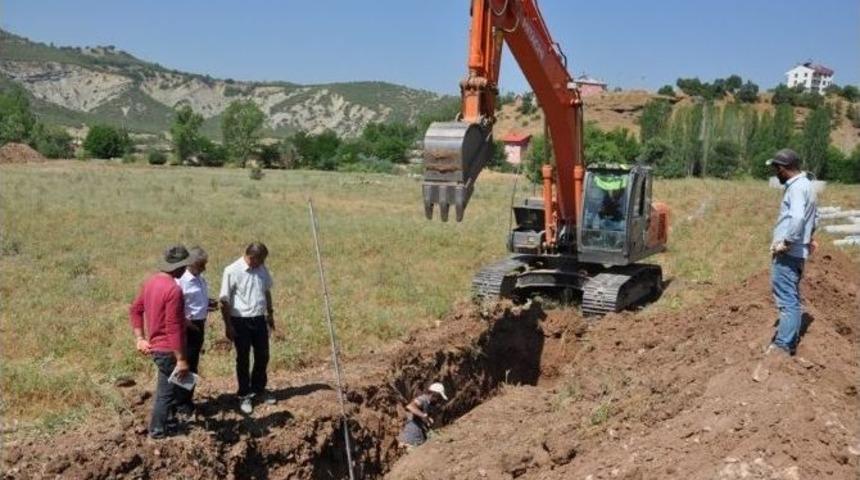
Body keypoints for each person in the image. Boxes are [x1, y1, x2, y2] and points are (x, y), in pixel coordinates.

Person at [753, 148, 818, 382]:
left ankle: (782, 346)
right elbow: (814, 217)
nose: (776, 174)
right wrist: (809, 238)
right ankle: (786, 340)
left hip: (789, 253)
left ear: (783, 168)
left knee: (787, 299)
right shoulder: (808, 185)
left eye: (776, 169)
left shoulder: (797, 188)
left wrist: (788, 242)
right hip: (798, 251)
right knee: (791, 295)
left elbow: (799, 217)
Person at [129, 245, 192, 439]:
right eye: (185, 266)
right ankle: (157, 431)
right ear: (179, 268)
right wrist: (181, 359)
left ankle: (169, 422)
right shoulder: (174, 290)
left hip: (157, 347)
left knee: (171, 388)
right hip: (168, 350)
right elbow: (173, 328)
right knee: (166, 392)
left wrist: (140, 338)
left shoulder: (151, 282)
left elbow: (135, 309)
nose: (186, 270)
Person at [220, 242, 276, 414]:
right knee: (243, 358)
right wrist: (228, 325)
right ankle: (244, 394)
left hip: (259, 319)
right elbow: (224, 300)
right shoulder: (232, 270)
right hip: (240, 321)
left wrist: (270, 313)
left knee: (262, 355)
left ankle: (258, 389)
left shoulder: (261, 269)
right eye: (260, 260)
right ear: (252, 257)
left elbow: (266, 290)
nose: (262, 264)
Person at [174, 246, 216, 416]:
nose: (204, 268)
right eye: (201, 265)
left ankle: (186, 400)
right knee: (186, 365)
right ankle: (180, 404)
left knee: (193, 364)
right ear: (190, 264)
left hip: (199, 325)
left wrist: (208, 304)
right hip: (187, 328)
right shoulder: (181, 281)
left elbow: (196, 300)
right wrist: (188, 323)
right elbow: (176, 309)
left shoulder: (200, 278)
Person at [398, 382, 449, 448]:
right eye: (439, 397)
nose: (439, 400)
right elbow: (410, 406)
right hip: (410, 439)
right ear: (434, 394)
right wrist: (423, 415)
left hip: (418, 438)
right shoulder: (423, 399)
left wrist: (428, 420)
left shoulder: (429, 404)